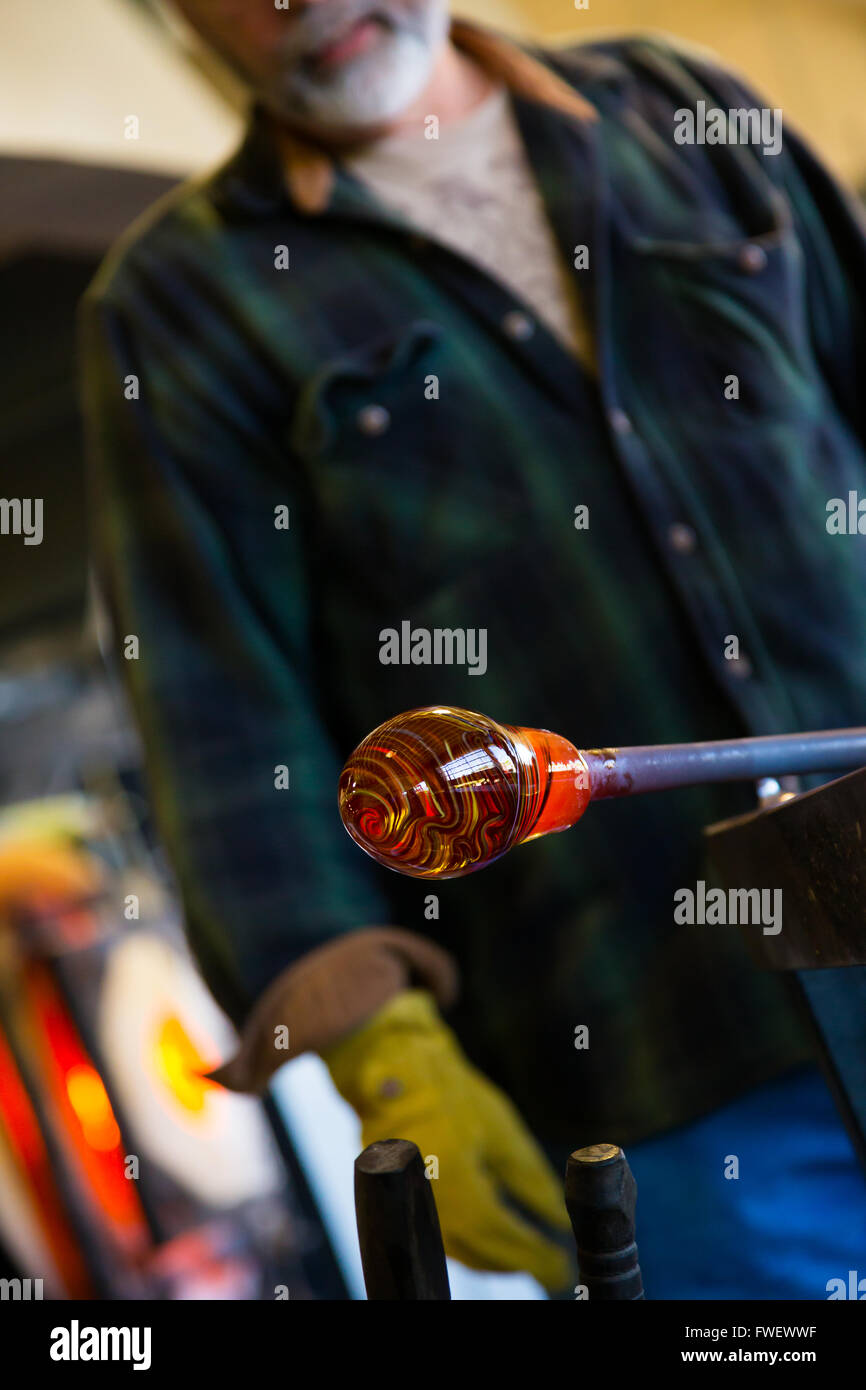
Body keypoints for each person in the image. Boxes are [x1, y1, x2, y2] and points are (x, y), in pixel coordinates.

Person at [81, 0, 866, 1297]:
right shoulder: (177, 308)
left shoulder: (683, 109)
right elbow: (221, 717)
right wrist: (371, 1039)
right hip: (657, 1062)